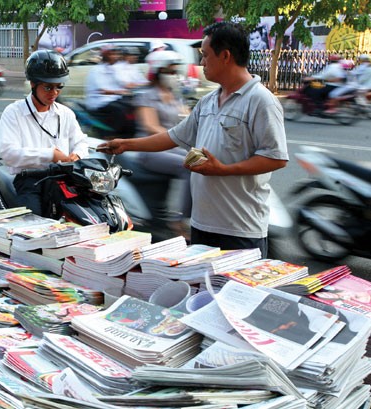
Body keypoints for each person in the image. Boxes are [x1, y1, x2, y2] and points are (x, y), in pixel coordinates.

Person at [98, 21, 289, 257]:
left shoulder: (261, 101)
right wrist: (126, 144)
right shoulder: (208, 101)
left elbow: (275, 158)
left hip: (239, 229)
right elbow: (173, 137)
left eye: (206, 56)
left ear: (226, 56)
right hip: (201, 225)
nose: (201, 63)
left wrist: (223, 169)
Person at [0, 50, 88, 215]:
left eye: (58, 87)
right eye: (48, 87)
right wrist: (50, 154)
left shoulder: (65, 113)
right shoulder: (13, 112)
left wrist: (77, 155)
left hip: (63, 179)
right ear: (33, 84)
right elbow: (9, 153)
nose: (54, 93)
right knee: (35, 228)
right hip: (30, 181)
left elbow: (81, 142)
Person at [133, 50, 192, 239]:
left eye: (175, 72)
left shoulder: (175, 96)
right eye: (169, 71)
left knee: (200, 160)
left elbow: (188, 119)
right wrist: (176, 138)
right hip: (151, 149)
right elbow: (150, 126)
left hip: (172, 145)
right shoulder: (147, 95)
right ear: (158, 72)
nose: (173, 76)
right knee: (189, 166)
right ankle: (179, 220)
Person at [85, 45, 135, 134]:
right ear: (105, 56)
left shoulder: (113, 69)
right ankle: (111, 135)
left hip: (113, 99)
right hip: (99, 101)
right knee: (120, 111)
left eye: (116, 54)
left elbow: (122, 83)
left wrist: (130, 87)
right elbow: (102, 90)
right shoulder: (96, 70)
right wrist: (120, 92)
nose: (115, 57)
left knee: (132, 106)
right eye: (112, 54)